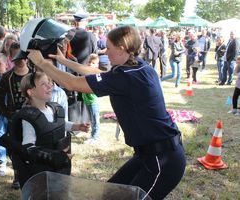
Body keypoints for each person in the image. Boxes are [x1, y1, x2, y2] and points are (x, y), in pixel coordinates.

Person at [27, 25, 186, 199]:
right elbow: (96, 73)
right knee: (110, 194)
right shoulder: (138, 66)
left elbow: (72, 83)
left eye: (108, 48)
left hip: (162, 160)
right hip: (148, 155)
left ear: (121, 49)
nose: (105, 52)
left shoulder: (126, 76)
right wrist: (64, 61)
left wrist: (41, 63)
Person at [1, 71, 89, 188]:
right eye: (43, 84)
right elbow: (29, 148)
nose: (50, 86)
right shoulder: (29, 118)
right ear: (31, 92)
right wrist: (53, 156)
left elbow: (58, 123)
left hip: (58, 168)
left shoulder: (54, 108)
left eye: (49, 82)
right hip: (40, 172)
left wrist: (76, 126)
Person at [0, 49, 31, 189]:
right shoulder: (7, 77)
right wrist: (6, 113)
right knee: (15, 149)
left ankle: (31, 174)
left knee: (31, 145)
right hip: (14, 120)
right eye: (16, 56)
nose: (20, 59)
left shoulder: (34, 74)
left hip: (31, 118)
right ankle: (17, 176)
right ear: (11, 58)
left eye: (22, 56)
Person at [82, 54, 100, 144]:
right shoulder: (87, 74)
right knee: (92, 119)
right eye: (89, 62)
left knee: (95, 119)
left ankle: (95, 137)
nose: (90, 64)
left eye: (93, 63)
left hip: (93, 102)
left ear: (97, 65)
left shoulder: (95, 75)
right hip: (88, 101)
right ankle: (93, 135)